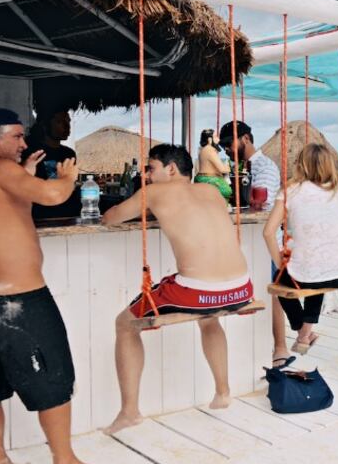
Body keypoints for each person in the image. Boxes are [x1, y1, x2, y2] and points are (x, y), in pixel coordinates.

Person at [0, 108, 114, 464]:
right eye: (17, 136)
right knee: (54, 378)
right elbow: (54, 197)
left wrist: (26, 175)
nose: (24, 143)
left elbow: (3, 210)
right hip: (20, 301)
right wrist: (67, 177)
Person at [102, 144, 254, 434]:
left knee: (124, 324)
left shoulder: (155, 193)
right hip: (241, 289)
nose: (146, 175)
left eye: (151, 168)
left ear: (170, 169)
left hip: (199, 291)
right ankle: (223, 391)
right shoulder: (211, 191)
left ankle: (129, 411)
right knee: (209, 316)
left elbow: (110, 217)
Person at [263, 144, 338, 365]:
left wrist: (280, 263)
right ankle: (305, 333)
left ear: (301, 166)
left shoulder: (290, 192)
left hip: (308, 273)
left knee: (284, 283)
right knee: (316, 270)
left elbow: (267, 232)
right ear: (330, 165)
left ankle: (301, 329)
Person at [22, 109, 82, 221]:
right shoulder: (32, 153)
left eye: (68, 121)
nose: (66, 126)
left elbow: (71, 186)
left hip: (69, 216)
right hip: (41, 218)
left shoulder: (69, 153)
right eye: (59, 122)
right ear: (45, 125)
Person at [219, 120, 278, 210]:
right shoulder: (237, 167)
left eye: (228, 143)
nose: (226, 149)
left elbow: (260, 205)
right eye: (222, 146)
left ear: (246, 139)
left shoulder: (264, 167)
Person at [194, 129, 232, 200]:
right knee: (228, 191)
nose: (218, 139)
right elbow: (222, 170)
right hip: (209, 179)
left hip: (200, 178)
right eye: (215, 137)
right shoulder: (210, 151)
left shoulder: (202, 150)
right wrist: (228, 167)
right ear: (209, 140)